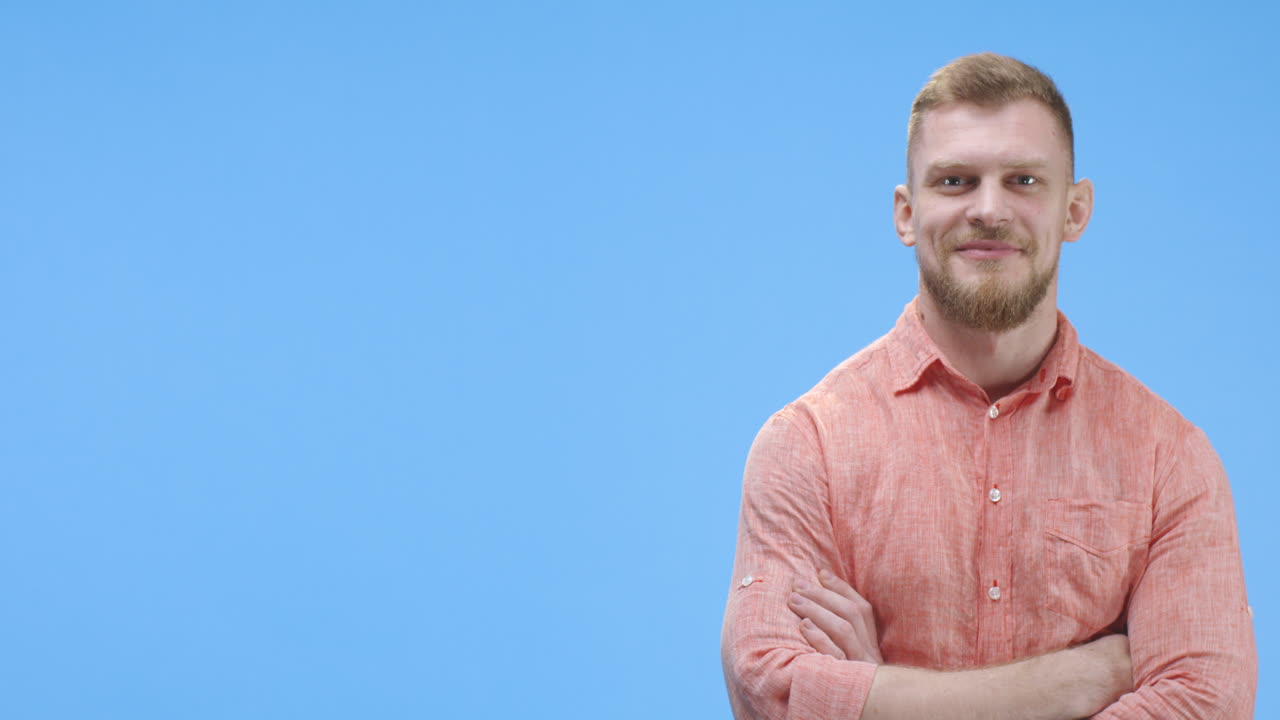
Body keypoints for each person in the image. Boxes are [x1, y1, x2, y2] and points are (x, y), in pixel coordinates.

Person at [720, 52, 1257, 720]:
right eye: (955, 180)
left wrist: (879, 697)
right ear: (906, 213)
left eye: (1024, 179)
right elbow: (768, 686)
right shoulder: (807, 448)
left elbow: (1206, 703)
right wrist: (1061, 686)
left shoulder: (1168, 460)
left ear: (1075, 210)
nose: (989, 209)